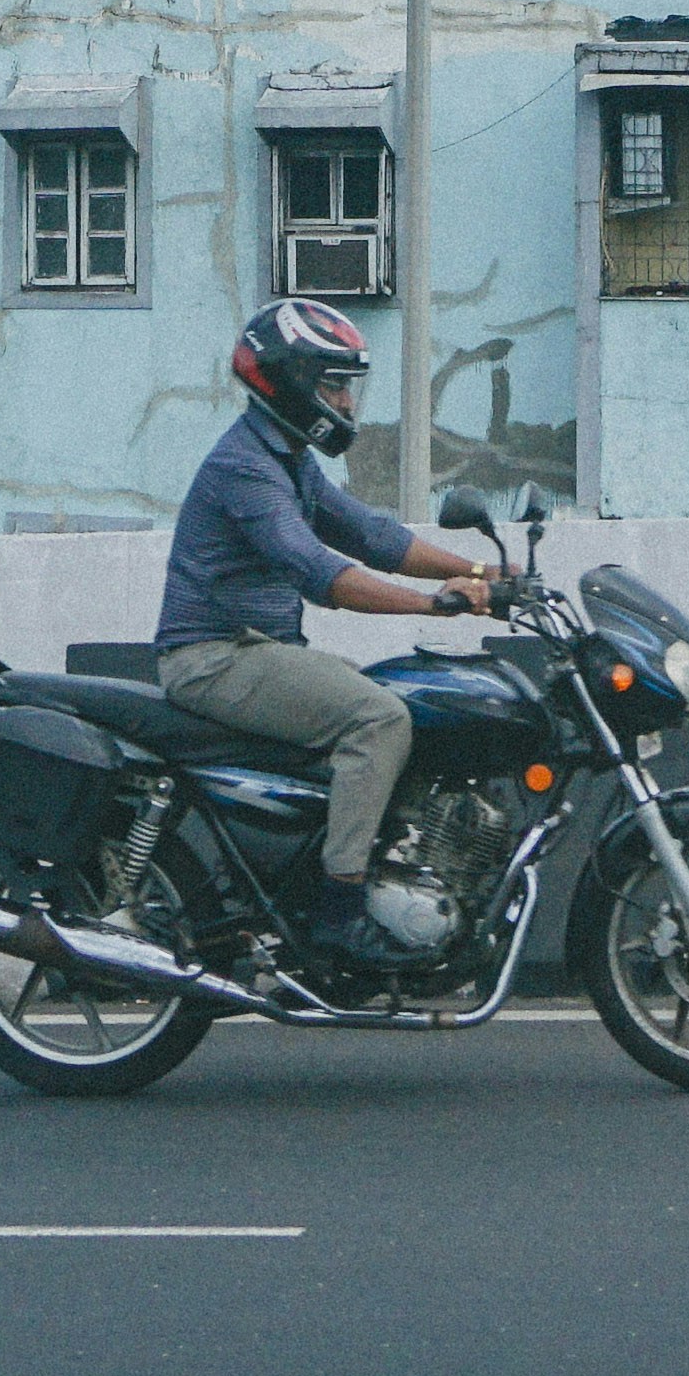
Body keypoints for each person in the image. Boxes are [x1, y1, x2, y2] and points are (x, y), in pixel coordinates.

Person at [156, 298, 495, 968]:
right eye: (333, 383)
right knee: (378, 717)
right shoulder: (245, 466)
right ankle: (341, 915)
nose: (345, 399)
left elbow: (370, 534)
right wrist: (434, 604)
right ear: (289, 381)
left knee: (407, 703)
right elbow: (319, 570)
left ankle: (365, 876)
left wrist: (487, 570)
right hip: (213, 654)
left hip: (258, 650)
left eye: (348, 384)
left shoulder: (287, 457)